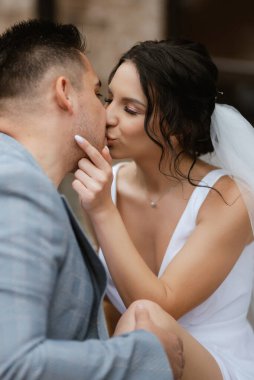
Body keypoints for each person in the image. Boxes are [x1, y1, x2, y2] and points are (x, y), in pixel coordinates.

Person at [0, 20, 186, 380]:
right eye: (100, 95)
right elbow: (12, 364)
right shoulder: (17, 184)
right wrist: (144, 353)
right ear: (65, 93)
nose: (107, 115)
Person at [73, 39, 254, 380]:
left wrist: (102, 210)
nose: (107, 117)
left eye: (130, 110)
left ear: (178, 128)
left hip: (214, 363)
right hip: (134, 361)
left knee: (146, 319)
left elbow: (160, 307)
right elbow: (112, 305)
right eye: (109, 99)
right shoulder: (109, 184)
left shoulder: (229, 199)